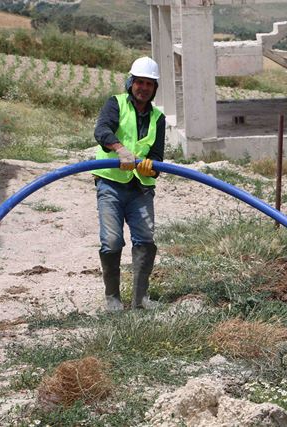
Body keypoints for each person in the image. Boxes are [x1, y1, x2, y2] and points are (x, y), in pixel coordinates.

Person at [93, 56, 165, 311]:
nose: (143, 88)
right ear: (131, 82)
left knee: (145, 239)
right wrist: (120, 150)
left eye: (149, 83)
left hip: (140, 189)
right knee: (111, 241)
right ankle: (113, 298)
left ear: (155, 88)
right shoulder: (116, 104)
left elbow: (158, 157)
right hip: (111, 184)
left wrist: (150, 166)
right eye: (139, 82)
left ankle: (140, 299)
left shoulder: (158, 117)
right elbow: (101, 130)